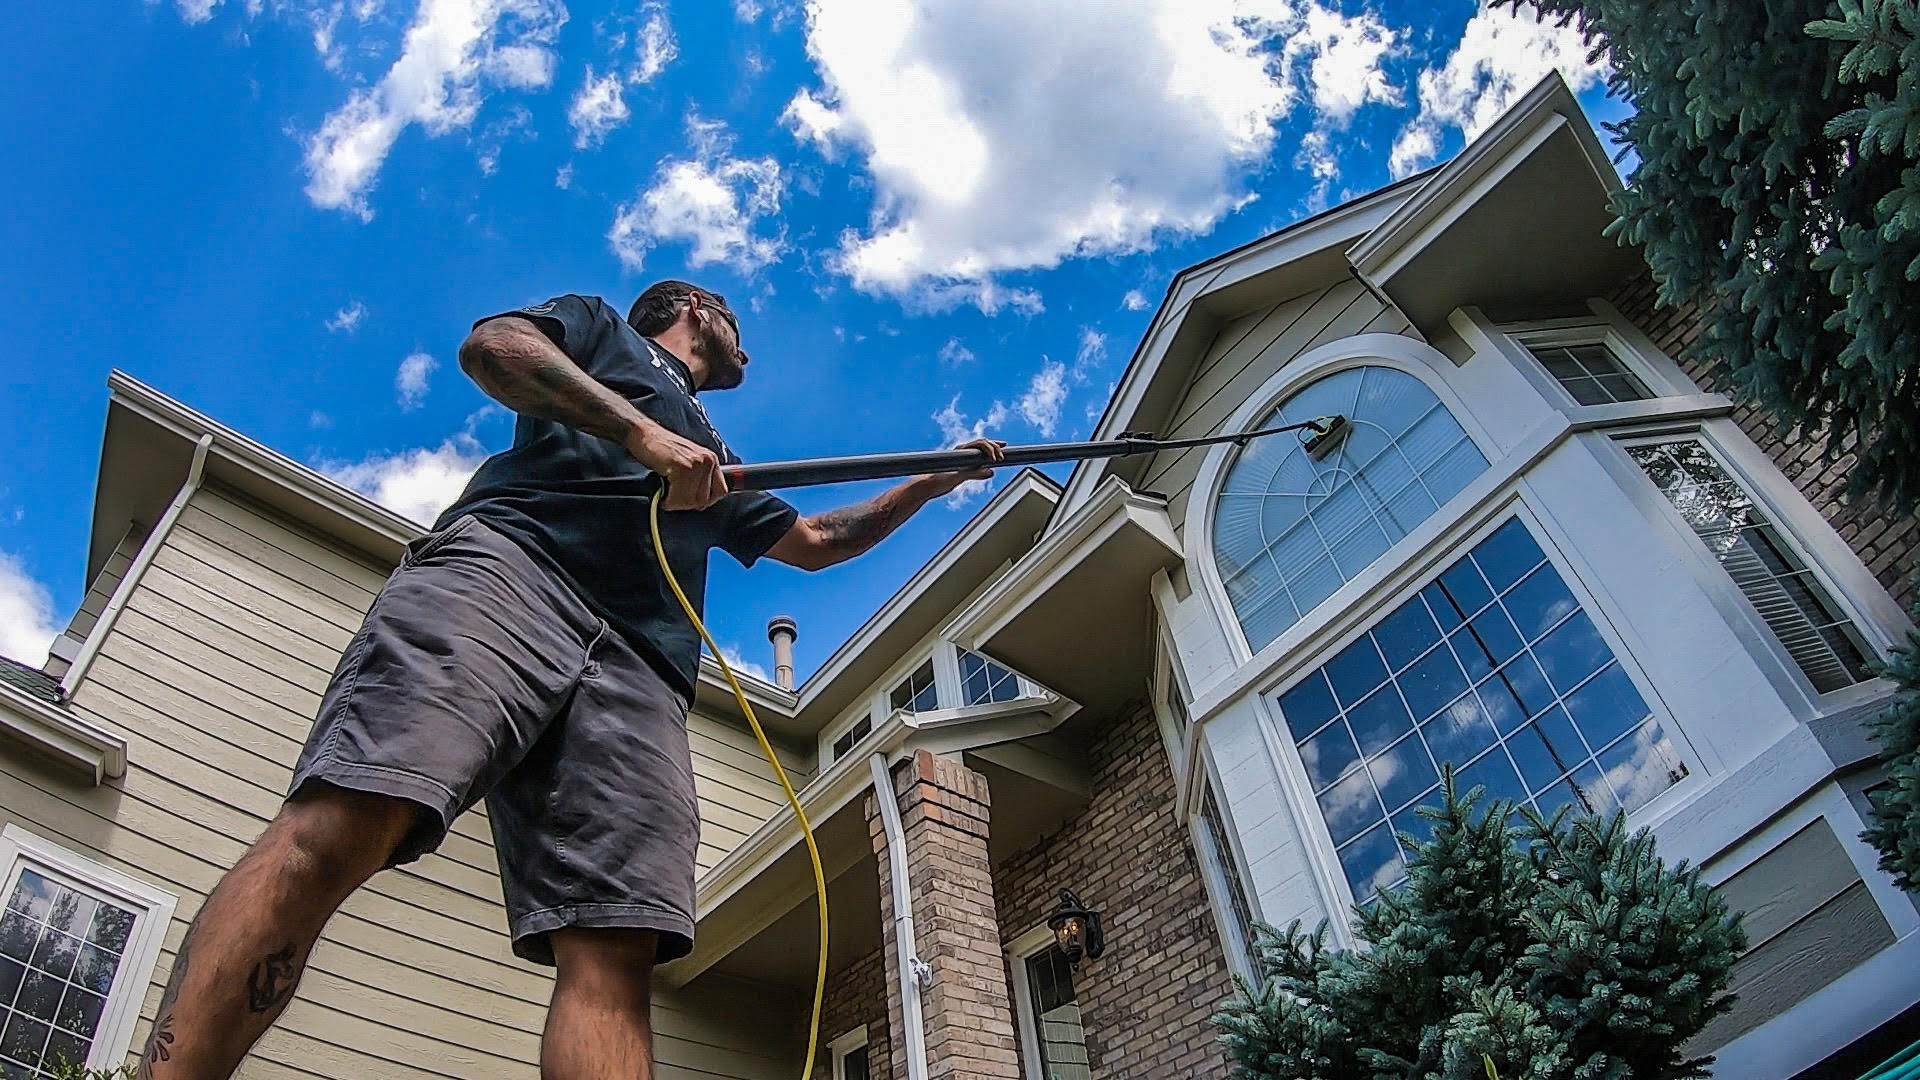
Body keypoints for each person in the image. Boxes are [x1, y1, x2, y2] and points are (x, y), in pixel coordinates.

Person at [137, 280, 1006, 1080]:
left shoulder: (717, 455)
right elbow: (495, 349)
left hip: (642, 668)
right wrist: (640, 434)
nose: (750, 349)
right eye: (739, 325)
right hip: (510, 571)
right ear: (697, 310)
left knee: (616, 943)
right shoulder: (605, 332)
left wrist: (930, 486)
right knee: (351, 813)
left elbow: (818, 543)